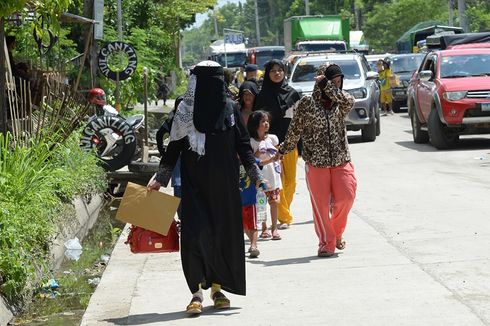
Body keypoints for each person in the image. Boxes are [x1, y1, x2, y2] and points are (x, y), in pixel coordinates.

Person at [148, 60, 264, 315]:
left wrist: (256, 175)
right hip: (193, 187)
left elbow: (243, 147)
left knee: (222, 236)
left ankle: (217, 289)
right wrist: (161, 177)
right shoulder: (184, 109)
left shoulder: (231, 109)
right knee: (195, 235)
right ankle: (196, 293)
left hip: (224, 188)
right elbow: (175, 147)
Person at [275, 63, 357, 257]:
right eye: (332, 82)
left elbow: (350, 101)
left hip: (341, 159)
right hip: (316, 162)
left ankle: (336, 233)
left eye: (339, 82)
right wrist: (282, 150)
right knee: (320, 206)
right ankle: (326, 243)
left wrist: (329, 87)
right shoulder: (306, 104)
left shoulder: (341, 102)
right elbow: (294, 130)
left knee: (347, 196)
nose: (336, 86)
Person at [254, 59, 300, 230]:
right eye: (273, 70)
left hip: (290, 142)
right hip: (270, 145)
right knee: (277, 181)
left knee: (291, 182)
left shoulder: (293, 94)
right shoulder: (262, 96)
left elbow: (298, 120)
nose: (277, 73)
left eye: (280, 70)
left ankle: (284, 211)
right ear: (267, 73)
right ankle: (284, 216)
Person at [248, 110, 282, 241]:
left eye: (267, 121)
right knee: (260, 203)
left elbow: (278, 155)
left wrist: (278, 157)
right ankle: (264, 227)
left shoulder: (272, 138)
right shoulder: (251, 142)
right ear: (255, 124)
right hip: (260, 176)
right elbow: (252, 160)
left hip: (272, 174)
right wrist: (259, 153)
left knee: (274, 202)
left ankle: (274, 227)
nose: (266, 123)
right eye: (263, 121)